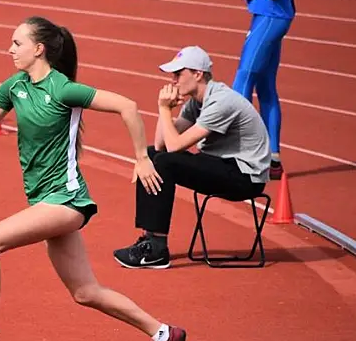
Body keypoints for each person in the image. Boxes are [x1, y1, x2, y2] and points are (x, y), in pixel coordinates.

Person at [0, 16, 187, 341]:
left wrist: (141, 157)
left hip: (67, 201)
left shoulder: (63, 89)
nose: (10, 49)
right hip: (46, 201)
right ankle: (165, 334)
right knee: (85, 293)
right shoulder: (14, 87)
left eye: (17, 43)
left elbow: (129, 106)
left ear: (39, 49)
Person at [113, 46, 271, 269]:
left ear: (198, 74)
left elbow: (175, 146)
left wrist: (164, 110)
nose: (173, 80)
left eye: (178, 74)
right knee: (150, 155)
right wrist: (164, 110)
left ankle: (157, 248)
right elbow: (160, 145)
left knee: (164, 163)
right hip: (222, 166)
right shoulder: (195, 103)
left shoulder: (221, 102)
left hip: (245, 177)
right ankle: (151, 239)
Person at [233, 0, 309, 179]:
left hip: (272, 14)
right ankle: (273, 159)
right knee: (265, 86)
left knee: (244, 78)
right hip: (264, 13)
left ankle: (240, 152)